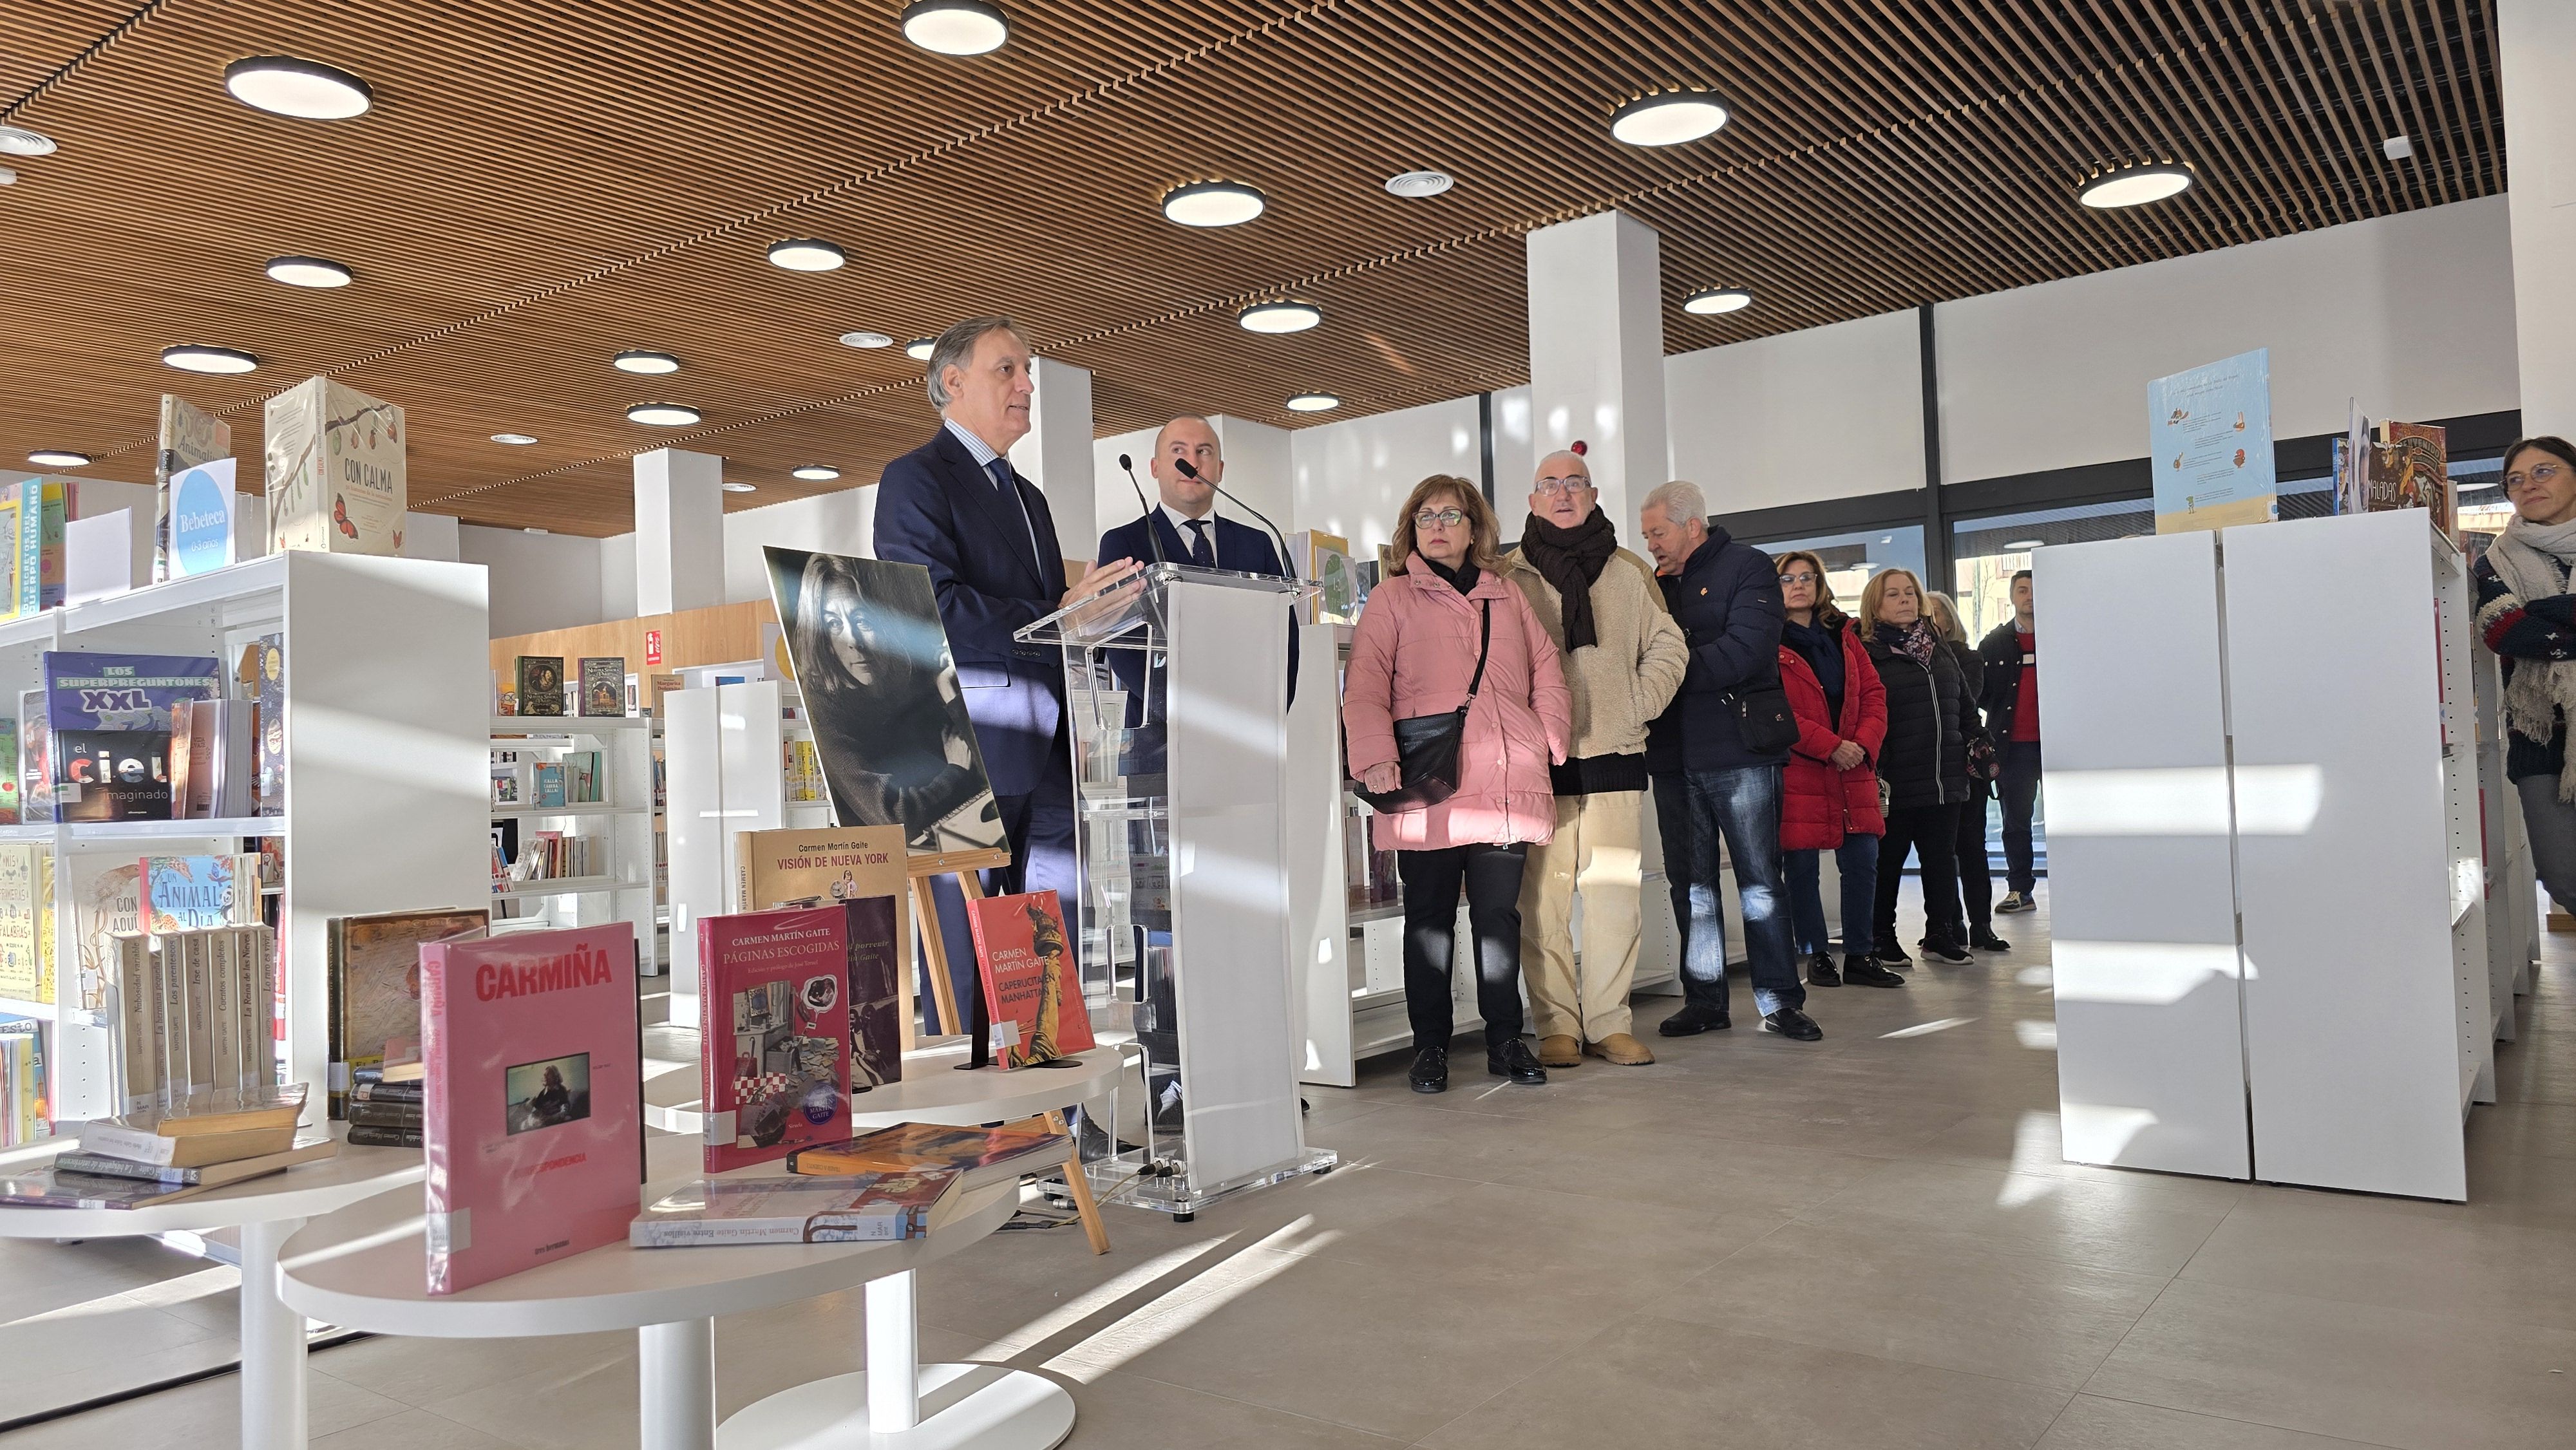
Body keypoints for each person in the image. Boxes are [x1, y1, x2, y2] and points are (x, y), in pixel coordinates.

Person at [875, 316, 1141, 1018]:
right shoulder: (914, 479)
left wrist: (1087, 618)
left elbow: (1053, 618)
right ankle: (970, 1117)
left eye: (1028, 372)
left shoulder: (1030, 499)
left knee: (1045, 928)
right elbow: (927, 603)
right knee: (960, 939)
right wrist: (1056, 610)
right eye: (1007, 370)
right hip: (963, 744)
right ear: (952, 381)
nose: (1027, 385)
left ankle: (1039, 1092)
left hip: (1051, 746)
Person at [1343, 475, 1570, 1093]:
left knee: (1499, 917)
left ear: (1475, 528)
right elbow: (1364, 685)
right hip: (1430, 783)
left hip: (1504, 778)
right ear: (1410, 530)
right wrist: (1375, 758)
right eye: (1425, 517)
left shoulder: (1507, 595)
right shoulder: (1391, 599)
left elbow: (1546, 667)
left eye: (1451, 515)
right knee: (1429, 920)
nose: (1438, 527)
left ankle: (1505, 1040)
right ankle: (1430, 1048)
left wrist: (1549, 735)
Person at [1499, 450, 1688, 1068]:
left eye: (1573, 483)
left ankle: (1609, 1020)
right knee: (1544, 902)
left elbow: (1669, 646)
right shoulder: (1509, 576)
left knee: (1613, 898)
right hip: (1538, 764)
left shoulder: (1630, 570)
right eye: (1548, 485)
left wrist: (1637, 703)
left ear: (1593, 492)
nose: (1562, 493)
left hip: (1615, 753)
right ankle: (1556, 1023)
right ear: (1532, 501)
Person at [1640, 481, 1821, 1041]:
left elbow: (1746, 651)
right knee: (1688, 883)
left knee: (1761, 881)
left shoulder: (1750, 567)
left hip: (1740, 750)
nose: (1651, 545)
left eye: (1658, 533)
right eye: (1646, 535)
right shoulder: (1649, 586)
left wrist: (1662, 673)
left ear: (1692, 525)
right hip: (1672, 752)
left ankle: (1780, 1002)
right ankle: (1705, 1000)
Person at [788, 551, 989, 849]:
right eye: (833, 624)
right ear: (823, 640)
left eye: (862, 620)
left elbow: (979, 762)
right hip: (900, 862)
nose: (853, 640)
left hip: (965, 833)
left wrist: (948, 690)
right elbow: (895, 818)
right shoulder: (823, 705)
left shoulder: (905, 669)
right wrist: (956, 774)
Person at [1775, 551, 1899, 988]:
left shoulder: (1845, 636)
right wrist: (1831, 748)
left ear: (1820, 584)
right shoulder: (1768, 641)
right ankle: (1817, 955)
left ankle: (1861, 955)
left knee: (1863, 861)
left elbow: (1874, 695)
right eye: (1788, 579)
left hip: (1853, 766)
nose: (1799, 585)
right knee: (1803, 869)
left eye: (1807, 577)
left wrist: (1861, 745)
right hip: (1803, 770)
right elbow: (1778, 712)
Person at [2476, 435, 2576, 919]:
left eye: (2544, 471)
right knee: (2562, 877)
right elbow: (2503, 629)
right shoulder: (2495, 559)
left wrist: (2548, 615)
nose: (2528, 485)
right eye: (2516, 479)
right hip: (2540, 737)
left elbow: (2531, 625)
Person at [1860, 568, 1980, 967]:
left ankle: (1939, 936)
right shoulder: (1868, 653)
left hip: (1946, 776)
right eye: (1893, 594)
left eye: (1909, 592)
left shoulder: (1938, 646)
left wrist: (1974, 740)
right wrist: (1884, 762)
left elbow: (1963, 703)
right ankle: (1881, 938)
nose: (1905, 599)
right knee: (1889, 861)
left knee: (1941, 860)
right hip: (1895, 779)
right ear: (1875, 606)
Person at [1927, 590, 2009, 954]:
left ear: (1949, 619)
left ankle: (1982, 926)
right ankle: (1946, 926)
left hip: (1965, 768)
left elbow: (1968, 701)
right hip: (1930, 768)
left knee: (1972, 848)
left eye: (1935, 613)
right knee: (1939, 854)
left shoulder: (1967, 657)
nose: (1928, 619)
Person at [1979, 569, 2042, 913]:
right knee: (2016, 821)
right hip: (2013, 747)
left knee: (2075, 820)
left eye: (2035, 589)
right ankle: (2021, 890)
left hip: (2062, 745)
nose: (2029, 596)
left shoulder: (2067, 634)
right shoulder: (1995, 643)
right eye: (2022, 590)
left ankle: (2083, 887)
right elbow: (1979, 693)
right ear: (2012, 597)